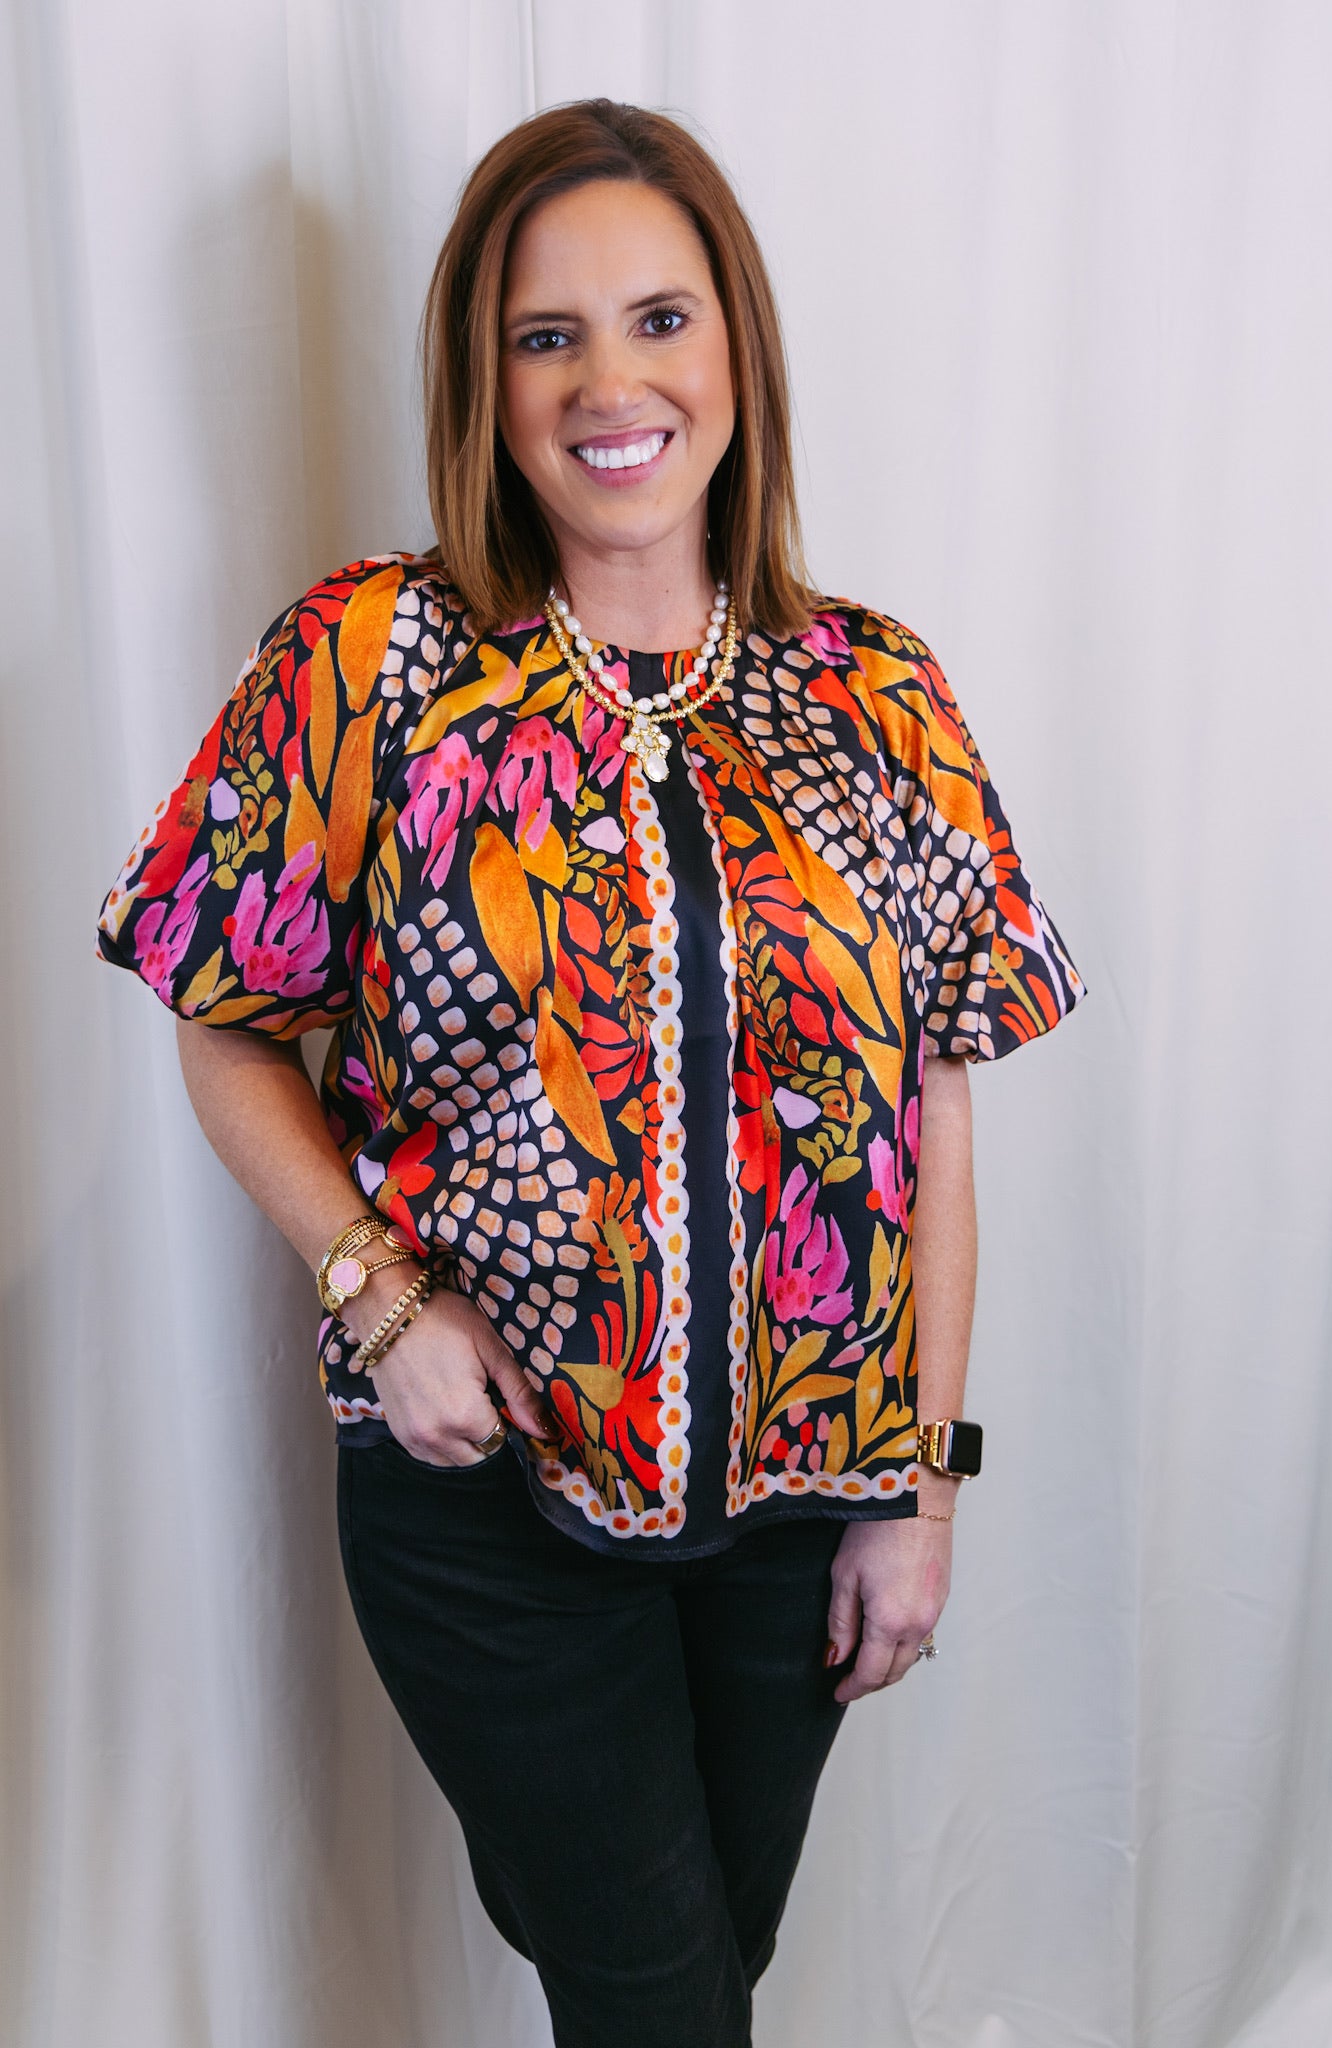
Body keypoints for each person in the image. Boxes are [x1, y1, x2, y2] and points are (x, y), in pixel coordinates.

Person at [97, 97, 1085, 2048]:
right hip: (487, 1498)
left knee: (687, 1967)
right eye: (546, 335)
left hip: (804, 1503)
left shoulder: (876, 695)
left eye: (657, 319)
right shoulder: (367, 660)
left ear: (737, 355)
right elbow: (217, 1005)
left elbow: (934, 1113)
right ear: (484, 373)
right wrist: (379, 1298)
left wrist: (922, 1490)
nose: (608, 380)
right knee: (660, 2004)